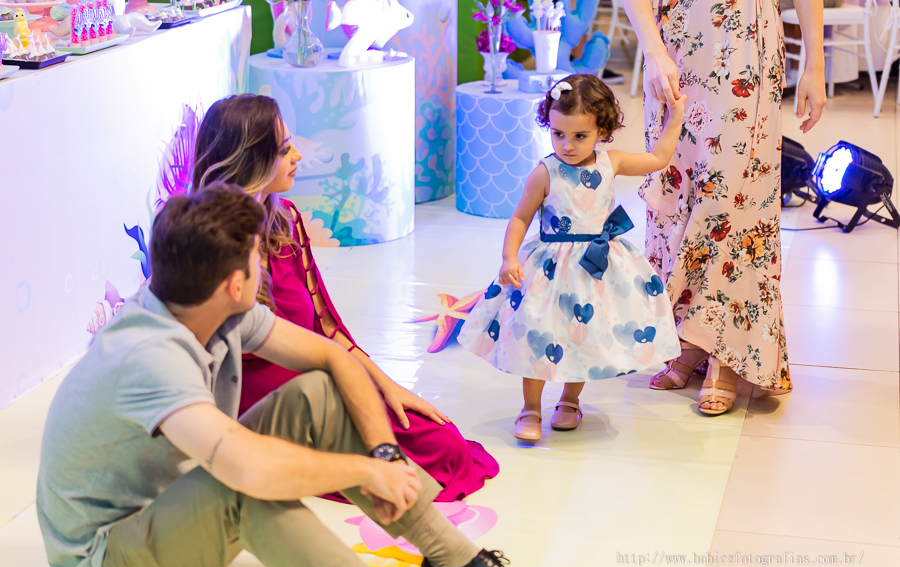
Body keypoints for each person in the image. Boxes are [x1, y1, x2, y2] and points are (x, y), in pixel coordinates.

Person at [35, 184, 564, 567]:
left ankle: (453, 562)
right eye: (257, 256)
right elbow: (249, 472)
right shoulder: (150, 355)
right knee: (242, 490)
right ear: (235, 285)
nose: (265, 262)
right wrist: (364, 471)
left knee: (320, 392)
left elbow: (333, 357)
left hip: (165, 511)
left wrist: (383, 455)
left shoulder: (200, 304)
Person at [190, 94, 499, 503]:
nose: (297, 154)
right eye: (284, 150)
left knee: (442, 443)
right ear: (252, 162)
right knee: (415, 462)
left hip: (319, 370)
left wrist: (388, 387)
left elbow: (327, 328)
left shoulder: (287, 222)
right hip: (259, 398)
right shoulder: (208, 243)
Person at [622, 0, 826, 413]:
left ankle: (728, 351)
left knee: (736, 196)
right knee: (675, 190)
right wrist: (653, 49)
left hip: (746, 41)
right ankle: (691, 337)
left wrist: (816, 65)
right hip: (674, 41)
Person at [458, 74, 685, 441]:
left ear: (602, 130)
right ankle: (530, 407)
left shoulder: (611, 163)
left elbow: (658, 158)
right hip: (548, 269)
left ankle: (569, 401)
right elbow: (520, 217)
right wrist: (508, 258)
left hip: (593, 269)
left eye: (580, 136)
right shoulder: (545, 172)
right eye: (558, 134)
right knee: (536, 333)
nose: (567, 145)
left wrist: (675, 116)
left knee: (583, 334)